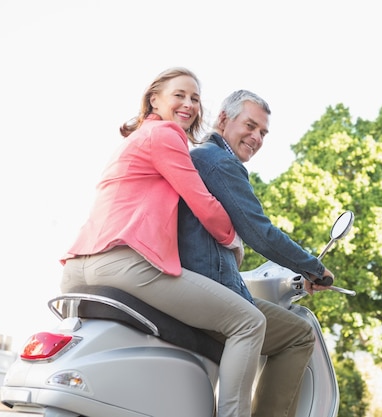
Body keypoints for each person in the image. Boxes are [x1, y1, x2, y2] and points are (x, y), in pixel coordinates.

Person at [60, 68, 266, 417]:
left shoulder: (134, 139)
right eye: (180, 95)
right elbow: (203, 204)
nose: (188, 104)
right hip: (123, 264)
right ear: (154, 98)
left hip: (76, 268)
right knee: (249, 323)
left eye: (195, 99)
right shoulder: (167, 135)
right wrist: (234, 242)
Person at [177, 89, 335, 417]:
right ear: (223, 119)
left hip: (195, 280)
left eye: (262, 132)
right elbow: (260, 233)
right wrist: (313, 268)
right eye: (250, 126)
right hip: (212, 286)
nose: (256, 137)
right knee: (299, 334)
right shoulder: (218, 162)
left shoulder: (199, 157)